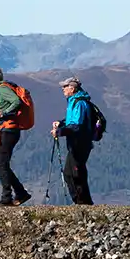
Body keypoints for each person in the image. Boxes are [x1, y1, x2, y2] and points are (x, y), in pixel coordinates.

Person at [0, 66, 34, 206]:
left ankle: (7, 197)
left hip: (8, 130)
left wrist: (3, 114)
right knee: (1, 164)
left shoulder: (3, 89)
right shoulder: (4, 88)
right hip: (8, 130)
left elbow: (16, 102)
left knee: (1, 164)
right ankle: (20, 193)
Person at [50, 76, 98, 205]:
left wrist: (59, 132)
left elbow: (77, 126)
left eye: (65, 87)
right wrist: (60, 123)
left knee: (74, 173)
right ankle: (83, 202)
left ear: (72, 88)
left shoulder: (79, 103)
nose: (63, 89)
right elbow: (72, 121)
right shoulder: (74, 101)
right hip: (77, 143)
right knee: (72, 172)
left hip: (80, 143)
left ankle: (82, 202)